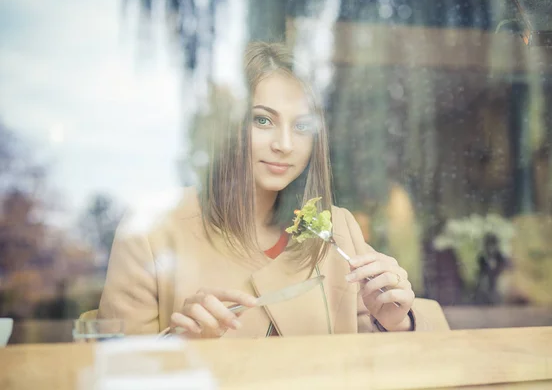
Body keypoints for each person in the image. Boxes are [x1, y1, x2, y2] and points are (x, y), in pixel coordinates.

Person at [98, 42, 433, 338]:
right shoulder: (151, 232)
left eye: (302, 126)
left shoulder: (338, 230)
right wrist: (180, 345)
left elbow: (377, 358)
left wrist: (396, 322)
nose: (284, 145)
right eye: (262, 120)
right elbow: (116, 366)